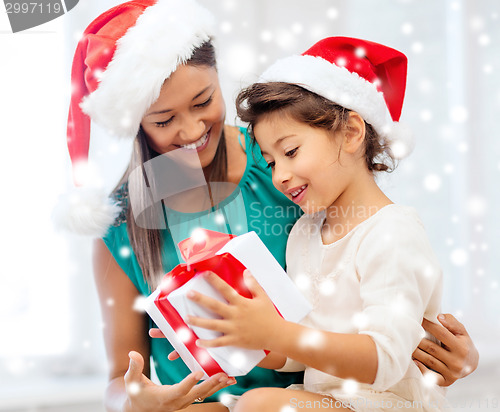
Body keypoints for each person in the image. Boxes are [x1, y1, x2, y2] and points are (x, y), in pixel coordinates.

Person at [55, 0, 478, 410]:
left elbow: (378, 267)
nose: (191, 130)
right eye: (164, 120)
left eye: (203, 101)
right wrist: (134, 401)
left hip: (310, 398)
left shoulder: (287, 158)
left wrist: (455, 355)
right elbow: (120, 376)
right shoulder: (122, 220)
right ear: (136, 124)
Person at [182, 37, 477, 411]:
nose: (279, 177)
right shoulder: (304, 235)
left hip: (388, 403)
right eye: (272, 163)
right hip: (327, 401)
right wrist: (236, 333)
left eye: (290, 152)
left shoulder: (392, 233)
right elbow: (299, 356)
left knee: (258, 404)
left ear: (352, 132)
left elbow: (385, 362)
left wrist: (277, 332)